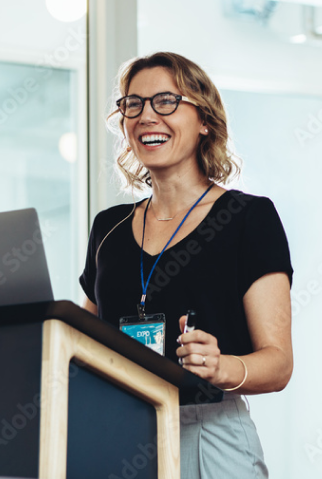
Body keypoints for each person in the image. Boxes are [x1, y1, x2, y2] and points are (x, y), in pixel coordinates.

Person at [80, 51, 293, 478]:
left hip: (207, 433)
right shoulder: (108, 228)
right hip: (119, 433)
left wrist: (220, 367)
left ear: (204, 120)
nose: (145, 116)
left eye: (166, 101)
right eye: (133, 104)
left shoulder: (248, 218)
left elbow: (278, 364)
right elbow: (83, 344)